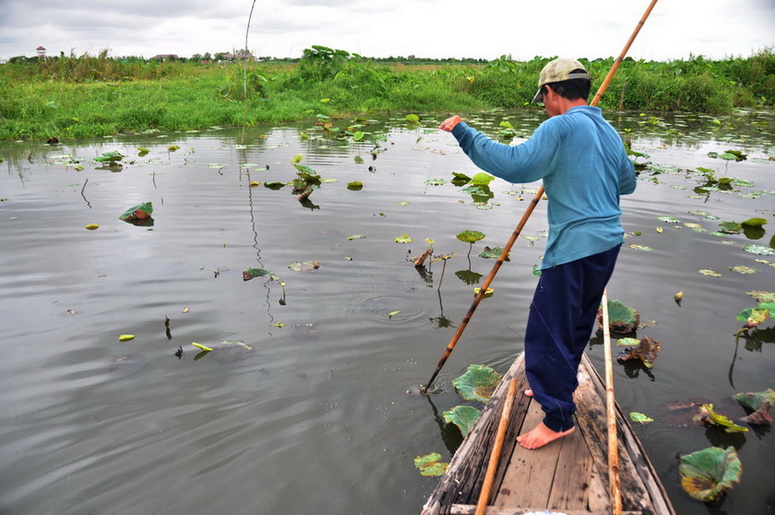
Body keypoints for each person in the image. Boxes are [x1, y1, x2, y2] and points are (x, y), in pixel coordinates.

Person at [440, 58, 636, 449]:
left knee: (546, 332)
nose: (543, 105)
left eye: (542, 98)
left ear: (550, 92)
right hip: (607, 243)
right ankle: (557, 389)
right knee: (576, 324)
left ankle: (558, 418)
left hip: (575, 248)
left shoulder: (560, 126)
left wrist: (464, 132)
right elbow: (626, 182)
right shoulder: (607, 129)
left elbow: (515, 166)